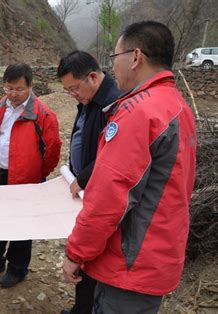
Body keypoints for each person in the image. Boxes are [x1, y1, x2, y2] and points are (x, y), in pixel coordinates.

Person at [63, 21, 197, 314]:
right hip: (157, 254)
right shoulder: (177, 106)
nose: (114, 67)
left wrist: (75, 253)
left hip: (130, 264)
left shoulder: (138, 111)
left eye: (115, 57)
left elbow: (109, 198)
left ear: (135, 57)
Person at [0, 63, 61, 288]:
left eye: (19, 89)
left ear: (30, 87)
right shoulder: (2, 106)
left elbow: (52, 150)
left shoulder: (42, 114)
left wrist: (37, 174)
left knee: (21, 225)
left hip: (25, 180)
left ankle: (17, 268)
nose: (13, 94)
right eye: (9, 88)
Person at [57, 51, 121, 314]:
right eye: (68, 91)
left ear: (93, 77)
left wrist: (82, 177)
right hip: (83, 188)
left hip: (96, 192)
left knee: (93, 261)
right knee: (85, 259)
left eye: (74, 88)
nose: (73, 95)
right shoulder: (89, 100)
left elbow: (112, 154)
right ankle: (80, 308)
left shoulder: (113, 103)